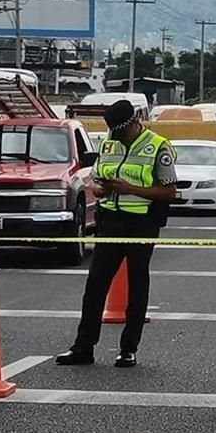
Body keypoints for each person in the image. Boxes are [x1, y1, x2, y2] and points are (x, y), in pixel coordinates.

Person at [56, 100, 177, 368]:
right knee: (95, 286)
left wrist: (130, 188)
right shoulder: (109, 143)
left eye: (123, 132)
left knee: (137, 286)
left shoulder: (158, 146)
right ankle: (83, 347)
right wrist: (101, 189)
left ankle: (128, 349)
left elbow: (169, 192)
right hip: (110, 221)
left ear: (135, 122)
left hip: (141, 223)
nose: (118, 137)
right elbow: (98, 178)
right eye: (115, 133)